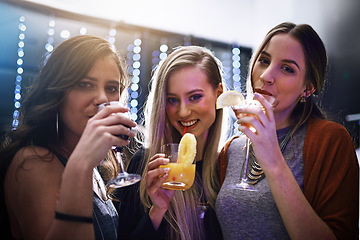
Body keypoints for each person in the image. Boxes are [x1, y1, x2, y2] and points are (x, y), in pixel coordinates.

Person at [215, 22, 359, 240]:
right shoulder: (231, 149)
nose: (266, 76)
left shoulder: (331, 141)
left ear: (308, 88)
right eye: (264, 60)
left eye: (287, 68)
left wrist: (273, 160)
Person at [0, 35, 136, 239]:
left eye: (111, 88)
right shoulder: (33, 162)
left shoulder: (94, 165)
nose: (102, 98)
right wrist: (81, 164)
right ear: (57, 92)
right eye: (85, 84)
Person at [116, 46, 227, 239]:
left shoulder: (228, 165)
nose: (183, 112)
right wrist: (157, 211)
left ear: (219, 93)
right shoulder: (146, 164)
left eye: (195, 97)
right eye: (172, 100)